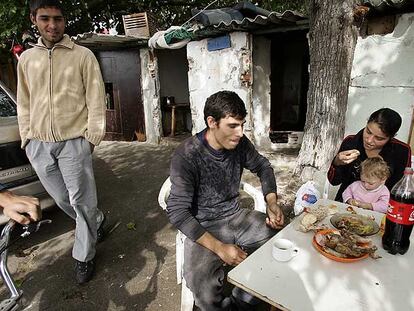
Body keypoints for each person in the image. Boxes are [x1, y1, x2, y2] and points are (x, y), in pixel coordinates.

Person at [166, 91, 284, 310]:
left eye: (242, 125)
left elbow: (263, 166)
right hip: (204, 225)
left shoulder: (239, 143)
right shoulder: (187, 155)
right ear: (212, 122)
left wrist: (272, 202)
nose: (240, 133)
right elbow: (177, 211)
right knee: (202, 287)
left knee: (282, 246)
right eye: (232, 126)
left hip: (237, 216)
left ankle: (242, 299)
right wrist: (219, 248)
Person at [16, 0, 106, 284]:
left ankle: (84, 255)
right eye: (45, 18)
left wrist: (91, 138)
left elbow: (95, 97)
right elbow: (24, 101)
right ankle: (96, 220)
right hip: (39, 145)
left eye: (58, 19)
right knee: (62, 198)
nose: (52, 25)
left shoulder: (82, 55)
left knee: (81, 200)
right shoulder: (27, 59)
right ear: (34, 19)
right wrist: (27, 138)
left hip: (74, 142)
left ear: (65, 20)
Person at [328, 108, 411, 202]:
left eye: (379, 138)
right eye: (368, 131)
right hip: (347, 204)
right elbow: (334, 181)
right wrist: (337, 162)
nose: (369, 140)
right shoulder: (351, 142)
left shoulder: (401, 151)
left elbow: (400, 190)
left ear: (391, 137)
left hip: (381, 210)